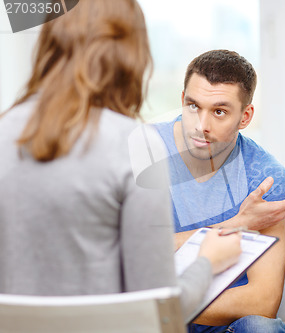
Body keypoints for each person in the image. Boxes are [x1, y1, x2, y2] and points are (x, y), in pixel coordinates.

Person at [0, 0, 242, 322]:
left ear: (48, 45)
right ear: (131, 55)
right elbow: (159, 312)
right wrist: (209, 261)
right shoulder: (136, 144)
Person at [154, 49, 285, 333]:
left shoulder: (263, 175)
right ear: (182, 100)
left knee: (262, 328)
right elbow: (118, 256)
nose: (201, 126)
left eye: (219, 112)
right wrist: (238, 225)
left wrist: (166, 306)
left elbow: (263, 301)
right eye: (193, 106)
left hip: (218, 326)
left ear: (245, 116)